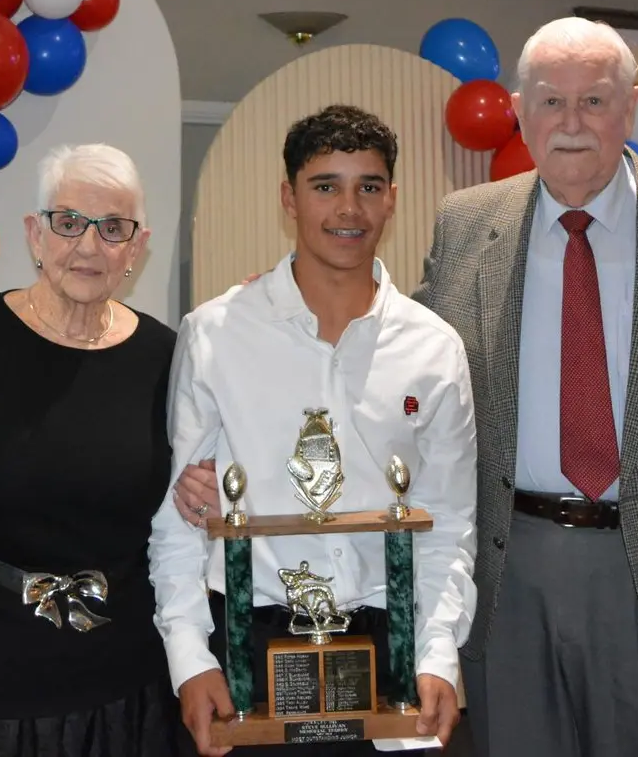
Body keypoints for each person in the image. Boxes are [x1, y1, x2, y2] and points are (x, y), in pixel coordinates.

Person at [407, 17, 638, 756]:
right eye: (551, 101)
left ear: (631, 107)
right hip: (509, 572)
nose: (571, 123)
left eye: (594, 101)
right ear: (520, 109)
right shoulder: (463, 225)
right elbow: (404, 372)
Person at [150, 104, 478, 757]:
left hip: (393, 647)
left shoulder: (435, 348)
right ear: (289, 199)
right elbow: (181, 518)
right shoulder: (215, 334)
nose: (348, 209)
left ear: (392, 201)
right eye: (325, 186)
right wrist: (190, 658)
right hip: (249, 647)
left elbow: (448, 523)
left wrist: (438, 652)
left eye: (369, 187)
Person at [0, 143, 201, 757]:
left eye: (112, 229)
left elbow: (175, 506)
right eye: (68, 222)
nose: (87, 246)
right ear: (35, 233)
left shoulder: (163, 355)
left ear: (136, 248)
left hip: (125, 683)